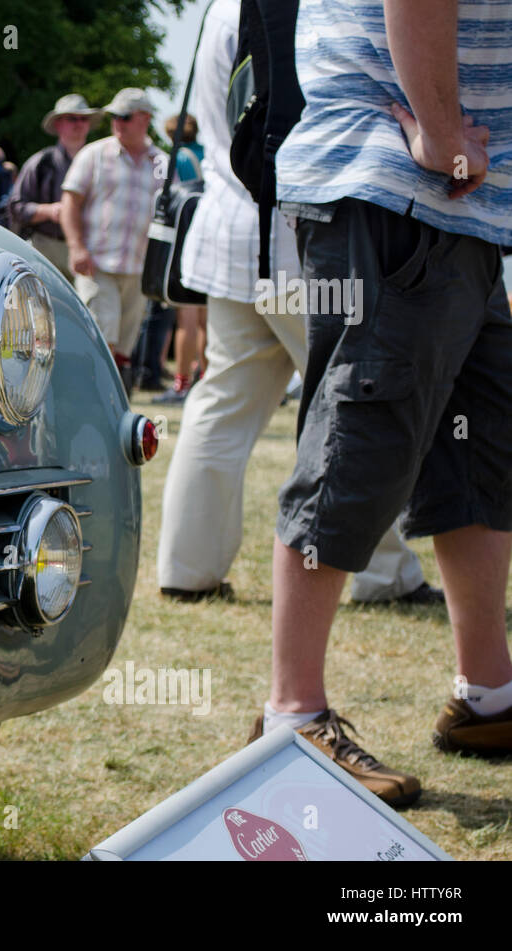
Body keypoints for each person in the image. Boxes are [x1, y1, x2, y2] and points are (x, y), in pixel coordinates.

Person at [258, 0, 512, 806]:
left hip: (453, 200)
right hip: (400, 184)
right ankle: (292, 717)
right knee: (356, 445)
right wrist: (440, 135)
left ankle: (489, 696)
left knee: (474, 459)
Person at [158, 0, 440, 615]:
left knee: (222, 402)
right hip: (299, 234)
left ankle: (187, 566)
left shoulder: (215, 11)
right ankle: (382, 572)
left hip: (231, 229)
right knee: (355, 407)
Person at [61, 88, 165, 384]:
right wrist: (76, 247)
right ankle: (93, 399)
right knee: (101, 337)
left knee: (124, 348)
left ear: (145, 118)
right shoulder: (94, 154)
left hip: (139, 269)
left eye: (124, 116)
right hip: (96, 264)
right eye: (113, 117)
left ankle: (116, 406)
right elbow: (70, 202)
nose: (116, 122)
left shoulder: (162, 162)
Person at [8, 93, 102, 276]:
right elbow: (16, 207)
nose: (79, 123)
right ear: (58, 124)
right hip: (46, 247)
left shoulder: (100, 164)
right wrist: (49, 211)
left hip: (88, 248)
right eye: (72, 118)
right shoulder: (41, 162)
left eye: (83, 119)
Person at [154, 113, 209, 403]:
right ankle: (205, 379)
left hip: (185, 237)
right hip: (212, 236)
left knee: (185, 316)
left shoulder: (175, 158)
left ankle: (182, 382)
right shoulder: (209, 153)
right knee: (206, 318)